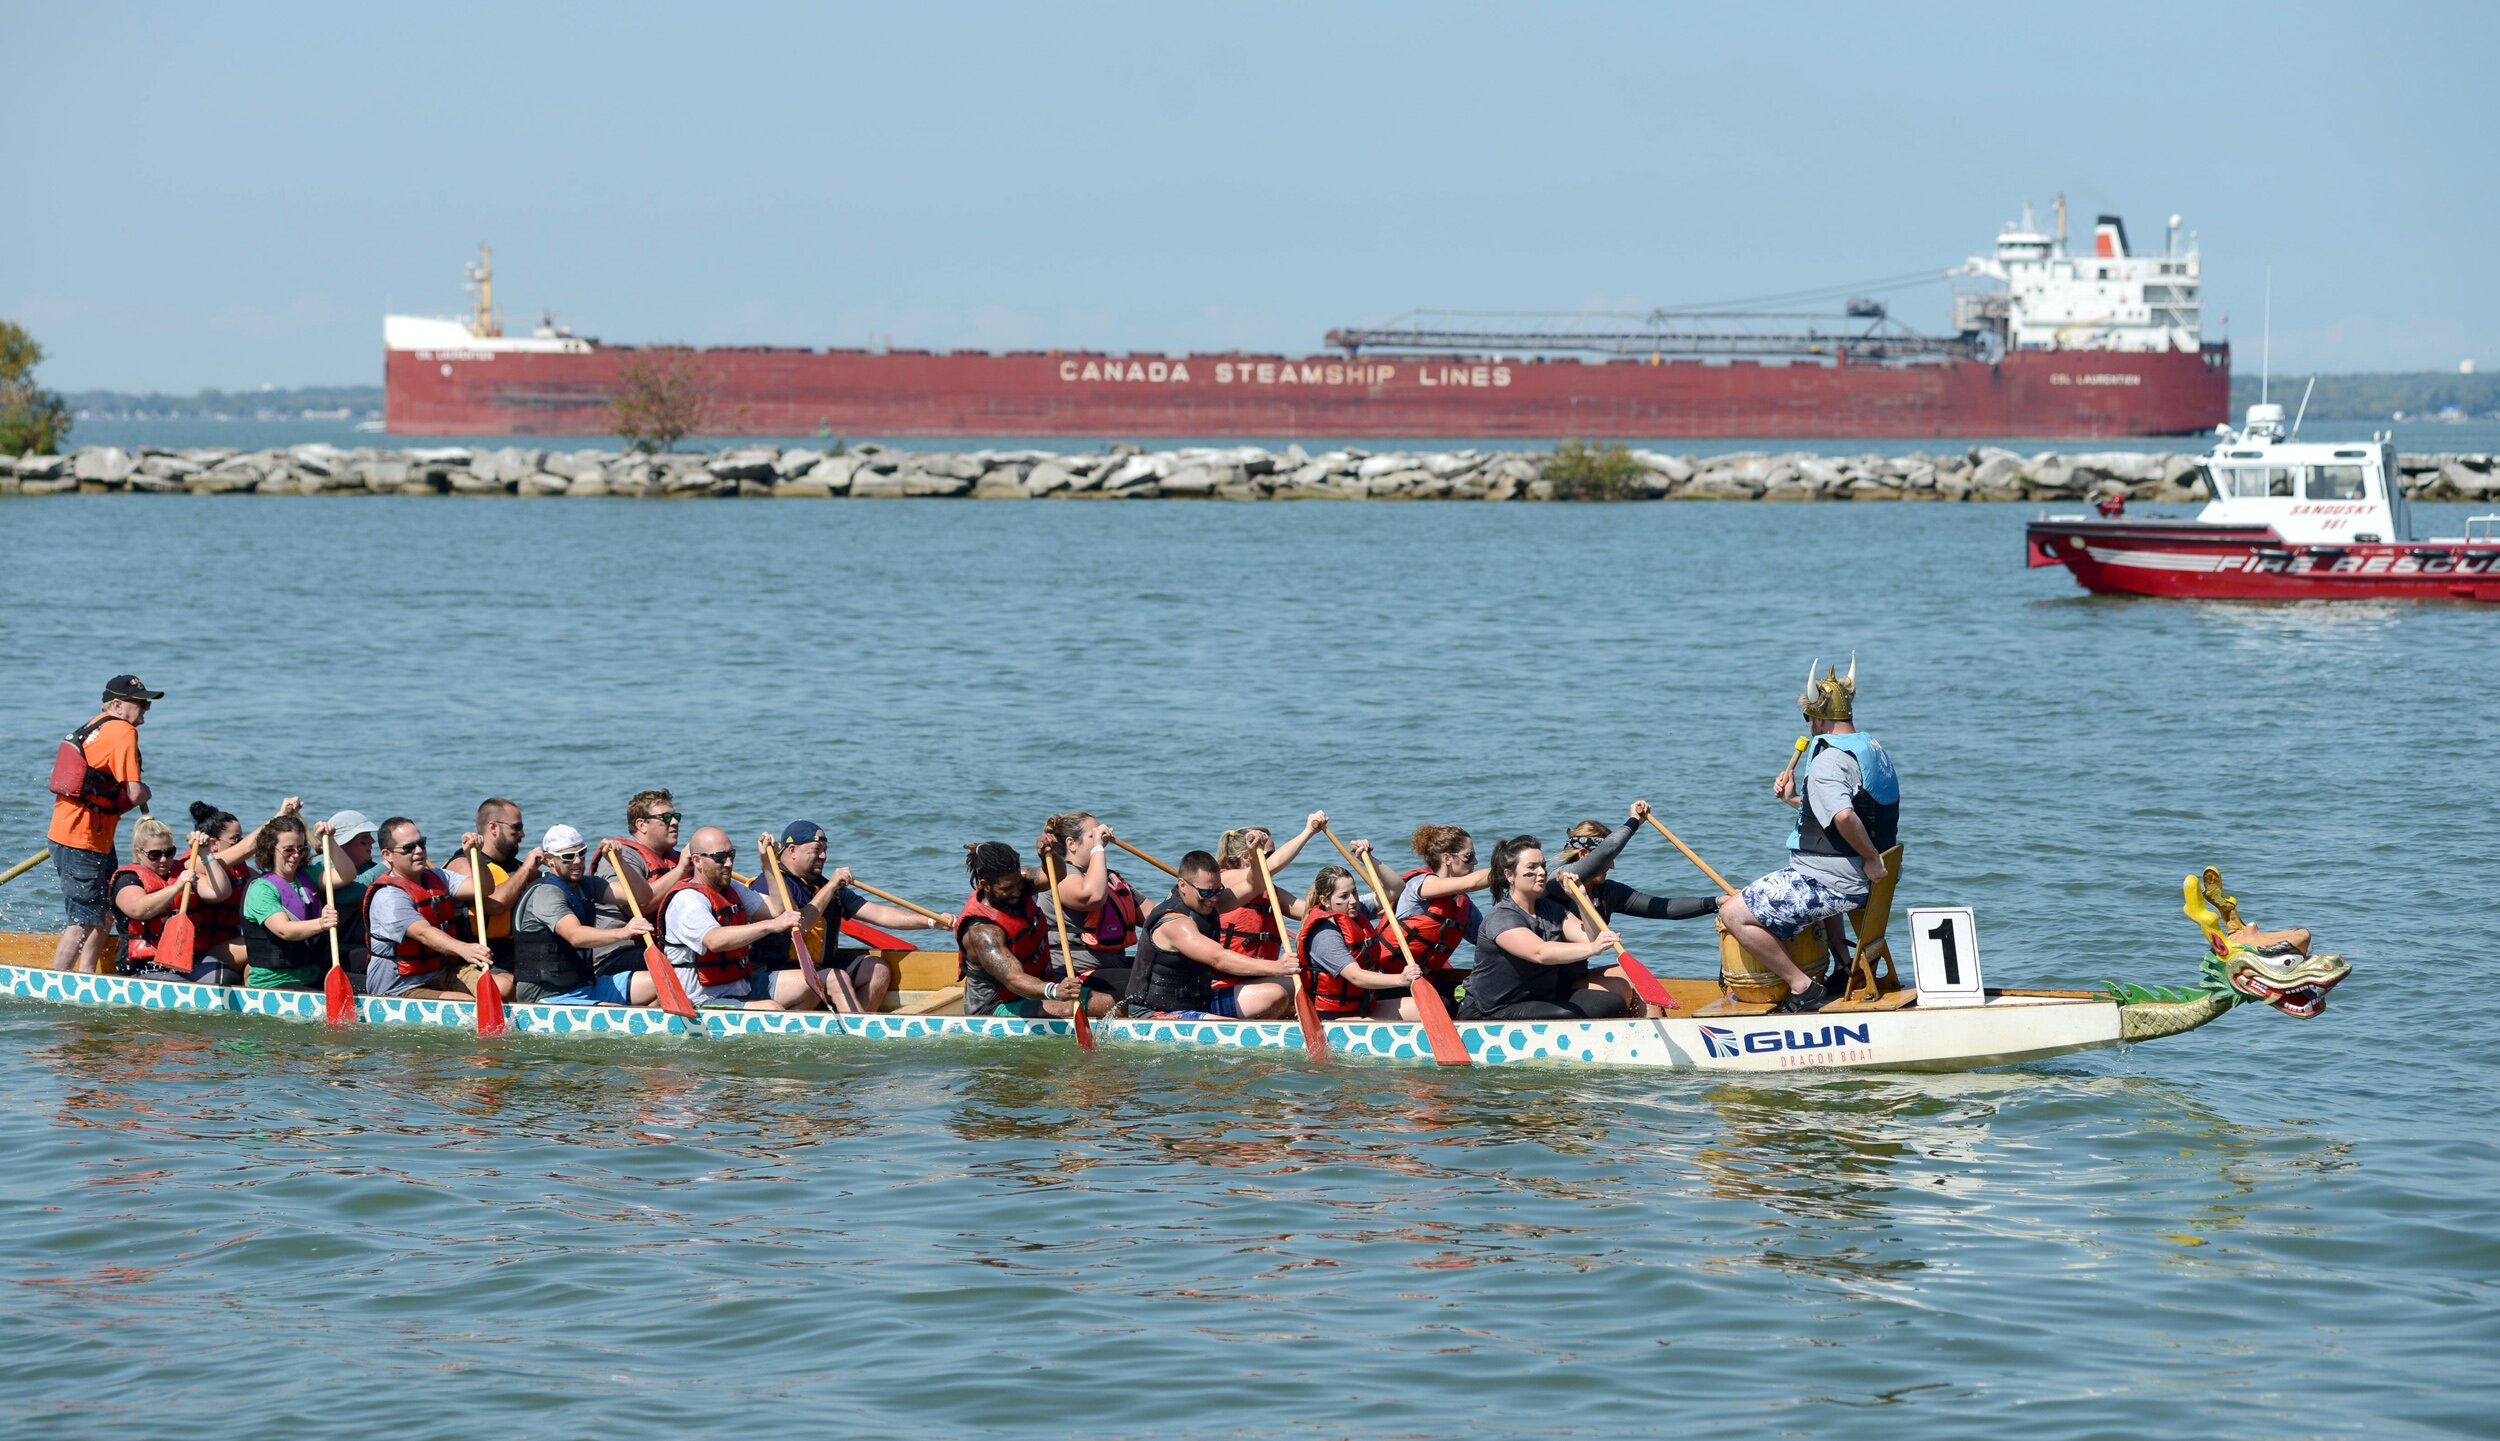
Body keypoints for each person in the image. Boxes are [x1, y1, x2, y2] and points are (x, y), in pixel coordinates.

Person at [1718, 656, 1901, 1015]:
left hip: (1837, 880)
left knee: (1733, 913)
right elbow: (1856, 811)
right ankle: (1844, 964)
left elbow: (1845, 816)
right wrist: (1795, 802)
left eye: (1808, 719)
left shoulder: (1827, 759)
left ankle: (1803, 986)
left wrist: (1869, 857)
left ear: (1818, 717)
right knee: (1802, 886)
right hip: (1852, 875)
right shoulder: (1871, 748)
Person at [749, 820, 954, 1012]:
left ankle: (854, 1023)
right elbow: (800, 927)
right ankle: (858, 1039)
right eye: (816, 850)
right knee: (835, 978)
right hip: (770, 974)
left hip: (816, 968)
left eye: (825, 850)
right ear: (792, 851)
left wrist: (930, 921)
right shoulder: (770, 884)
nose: (823, 856)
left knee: (877, 968)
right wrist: (831, 887)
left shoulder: (825, 885)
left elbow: (880, 913)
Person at [1551, 799, 1717, 1006]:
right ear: (1584, 854)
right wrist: (1634, 821)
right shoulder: (1557, 883)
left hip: (1576, 977)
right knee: (1625, 986)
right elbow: (1609, 848)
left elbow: (1664, 908)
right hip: (1549, 986)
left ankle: (1655, 1032)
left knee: (1636, 977)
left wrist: (1717, 903)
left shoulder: (1608, 892)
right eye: (1607, 860)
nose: (1612, 865)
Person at [46, 675, 159, 974]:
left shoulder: (97, 724)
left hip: (87, 838)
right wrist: (145, 791)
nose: (145, 710)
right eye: (141, 704)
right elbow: (134, 793)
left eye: (147, 704)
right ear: (118, 705)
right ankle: (54, 981)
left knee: (106, 912)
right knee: (83, 919)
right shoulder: (123, 731)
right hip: (79, 839)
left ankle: (86, 976)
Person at [1458, 835, 1628, 1021]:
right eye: (1532, 867)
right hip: (1491, 1010)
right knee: (1567, 1015)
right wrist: (1592, 949)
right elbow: (1540, 953)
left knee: (1612, 1003)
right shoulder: (1501, 917)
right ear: (1509, 875)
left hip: (1538, 998)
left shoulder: (1551, 909)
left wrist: (1580, 898)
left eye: (1543, 866)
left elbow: (1591, 937)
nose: (1541, 872)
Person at [1118, 850, 1298, 1019]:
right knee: (1228, 1030)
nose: (1213, 898)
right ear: (1182, 885)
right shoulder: (1175, 923)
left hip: (1200, 1001)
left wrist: (1252, 853)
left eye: (1217, 891)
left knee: (1275, 995)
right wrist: (1277, 967)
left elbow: (1255, 884)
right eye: (1205, 892)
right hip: (1155, 1013)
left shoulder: (1209, 903)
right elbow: (1219, 958)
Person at [656, 827, 807, 1009]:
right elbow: (714, 940)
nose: (728, 863)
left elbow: (777, 910)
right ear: (697, 861)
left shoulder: (732, 888)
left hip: (741, 987)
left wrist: (767, 863)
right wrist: (771, 926)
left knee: (812, 983)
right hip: (699, 1002)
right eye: (720, 858)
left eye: (731, 855)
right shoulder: (687, 900)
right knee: (771, 1008)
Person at [509, 824, 657, 1004]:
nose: (578, 861)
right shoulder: (546, 893)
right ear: (549, 860)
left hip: (586, 986)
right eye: (568, 857)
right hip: (546, 995)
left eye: (582, 853)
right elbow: (575, 935)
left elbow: (643, 896)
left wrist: (619, 861)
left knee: (659, 982)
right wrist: (624, 932)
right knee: (612, 1011)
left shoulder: (588, 885)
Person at [361, 817, 505, 1001]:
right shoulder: (388, 896)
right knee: (467, 1002)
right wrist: (465, 949)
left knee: (502, 988)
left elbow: (483, 888)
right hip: (399, 987)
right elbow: (423, 932)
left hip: (440, 972)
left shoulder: (438, 876)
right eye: (409, 847)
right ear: (387, 855)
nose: (419, 851)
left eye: (421, 843)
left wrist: (474, 855)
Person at [954, 841, 1090, 1019]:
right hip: (996, 1008)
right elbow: (1013, 979)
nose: (1017, 891)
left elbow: (1056, 874)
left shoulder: (1017, 883)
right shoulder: (982, 932)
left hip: (1036, 989)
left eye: (1018, 883)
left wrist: (1047, 855)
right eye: (1007, 888)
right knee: (1087, 1005)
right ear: (985, 885)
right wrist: (1055, 991)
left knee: (1111, 995)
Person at [1035, 812, 1143, 1006]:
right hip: (1075, 976)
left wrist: (1195, 893)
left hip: (1111, 968)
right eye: (1093, 835)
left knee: (1170, 969)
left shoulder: (1108, 879)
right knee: (1149, 982)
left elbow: (1155, 914)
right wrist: (1098, 849)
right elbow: (1092, 897)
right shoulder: (1059, 874)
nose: (1102, 838)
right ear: (1071, 844)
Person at [112, 815, 235, 984]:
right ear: (138, 853)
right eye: (155, 855)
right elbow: (138, 910)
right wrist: (177, 886)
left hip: (186, 958)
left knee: (226, 977)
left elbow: (221, 892)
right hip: (144, 965)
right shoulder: (127, 879)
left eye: (169, 852)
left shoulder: (182, 871)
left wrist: (205, 853)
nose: (163, 860)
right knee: (180, 986)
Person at [1296, 858, 1419, 1021]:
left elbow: (1397, 888)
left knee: (1423, 1008)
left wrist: (1368, 857)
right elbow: (1356, 977)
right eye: (1344, 896)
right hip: (1332, 1017)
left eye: (1354, 892)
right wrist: (1401, 979)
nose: (1353, 900)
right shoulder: (1325, 936)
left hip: (1363, 1006)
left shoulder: (1355, 910)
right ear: (1325, 901)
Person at [589, 790, 694, 979]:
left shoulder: (676, 860)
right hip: (618, 956)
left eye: (676, 816)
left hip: (662, 945)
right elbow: (638, 906)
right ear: (642, 825)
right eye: (666, 817)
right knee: (685, 962)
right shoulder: (620, 858)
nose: (675, 822)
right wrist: (680, 871)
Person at [1389, 824, 1489, 1008]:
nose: (1475, 862)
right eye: (1469, 856)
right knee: (1445, 1004)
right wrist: (1512, 870)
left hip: (1423, 980)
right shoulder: (1420, 885)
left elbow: (1487, 939)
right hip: (1390, 982)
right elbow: (1472, 882)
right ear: (1447, 858)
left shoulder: (1460, 903)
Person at [1213, 810, 1328, 968]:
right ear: (1247, 857)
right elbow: (1272, 865)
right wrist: (1308, 831)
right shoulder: (1223, 880)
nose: (1274, 857)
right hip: (1226, 976)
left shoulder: (1270, 892)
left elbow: (1309, 911)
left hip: (1262, 974)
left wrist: (1356, 902)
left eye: (1275, 853)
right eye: (1269, 854)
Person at [241, 814, 341, 990]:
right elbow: (284, 930)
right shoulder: (261, 889)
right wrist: (322, 923)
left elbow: (346, 874)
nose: (296, 856)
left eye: (301, 850)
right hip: (273, 982)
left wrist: (330, 840)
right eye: (288, 850)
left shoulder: (308, 876)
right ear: (271, 849)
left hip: (312, 974)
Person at [446, 796, 543, 971]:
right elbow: (494, 905)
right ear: (493, 828)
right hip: (478, 960)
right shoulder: (463, 864)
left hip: (517, 954)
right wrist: (526, 869)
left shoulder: (518, 867)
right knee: (506, 986)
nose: (522, 834)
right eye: (516, 828)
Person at [310, 809, 380, 963]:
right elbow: (353, 891)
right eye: (364, 839)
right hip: (333, 952)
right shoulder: (321, 864)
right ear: (344, 845)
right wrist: (391, 863)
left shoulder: (368, 866)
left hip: (362, 944)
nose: (372, 842)